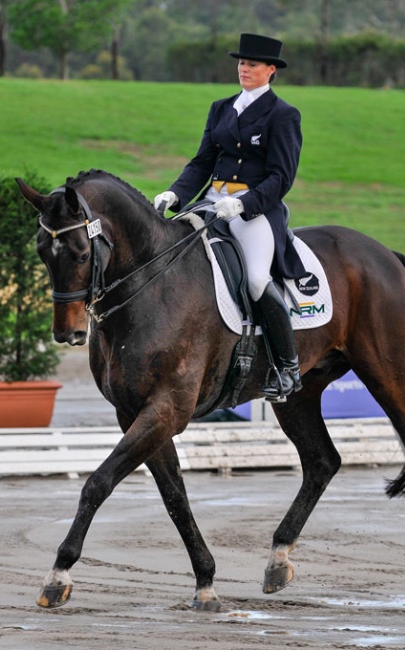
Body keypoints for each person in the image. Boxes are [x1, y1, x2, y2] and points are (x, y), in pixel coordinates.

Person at [154, 33, 306, 401]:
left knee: (255, 279)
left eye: (252, 64)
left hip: (254, 210)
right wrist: (176, 193)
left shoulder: (283, 115)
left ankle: (287, 367)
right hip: (210, 201)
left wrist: (244, 204)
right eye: (241, 62)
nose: (244, 68)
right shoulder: (221, 108)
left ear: (270, 70)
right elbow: (202, 161)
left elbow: (281, 177)